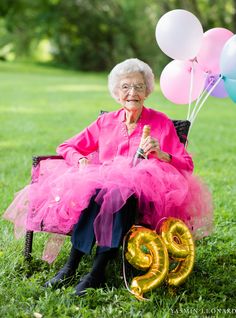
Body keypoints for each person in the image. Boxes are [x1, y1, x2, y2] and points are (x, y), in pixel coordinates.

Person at [3, 58, 212, 296]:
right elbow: (67, 146)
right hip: (101, 190)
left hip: (144, 195)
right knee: (101, 192)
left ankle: (96, 270)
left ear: (147, 91)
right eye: (125, 86)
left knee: (117, 193)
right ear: (116, 92)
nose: (132, 92)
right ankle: (72, 266)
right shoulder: (106, 121)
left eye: (138, 86)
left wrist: (162, 153)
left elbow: (187, 164)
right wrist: (79, 160)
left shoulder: (160, 122)